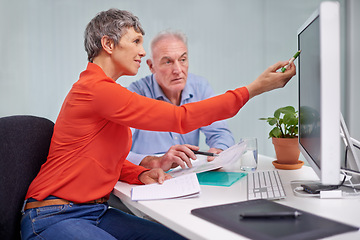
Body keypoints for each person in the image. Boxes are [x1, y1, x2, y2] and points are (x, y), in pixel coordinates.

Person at [20, 8, 296, 240]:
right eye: (136, 41)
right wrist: (254, 88)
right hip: (53, 215)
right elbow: (180, 118)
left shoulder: (107, 91)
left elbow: (100, 159)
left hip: (95, 211)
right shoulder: (96, 90)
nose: (142, 52)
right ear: (108, 44)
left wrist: (139, 172)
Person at [127, 30, 235, 171]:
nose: (178, 70)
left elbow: (220, 132)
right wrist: (153, 162)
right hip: (147, 177)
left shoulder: (200, 87)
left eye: (182, 60)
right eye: (168, 62)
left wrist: (219, 150)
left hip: (185, 177)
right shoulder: (135, 94)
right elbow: (116, 152)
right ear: (151, 66)